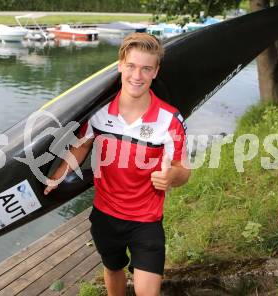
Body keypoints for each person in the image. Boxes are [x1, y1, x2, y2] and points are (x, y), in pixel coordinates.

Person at [44, 32, 191, 296]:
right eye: (132, 66)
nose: (137, 75)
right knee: (113, 269)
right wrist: (57, 175)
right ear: (120, 65)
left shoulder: (170, 120)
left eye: (146, 68)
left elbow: (183, 169)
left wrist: (172, 178)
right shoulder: (99, 112)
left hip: (146, 221)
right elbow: (82, 145)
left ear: (156, 72)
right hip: (105, 215)